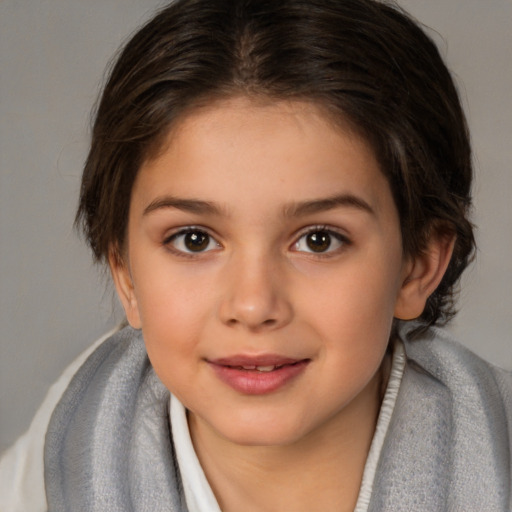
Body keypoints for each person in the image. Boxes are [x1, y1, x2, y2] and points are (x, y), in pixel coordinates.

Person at [1, 0, 511, 510]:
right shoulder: (68, 455)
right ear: (125, 274)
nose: (252, 304)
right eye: (194, 239)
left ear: (418, 265)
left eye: (318, 240)